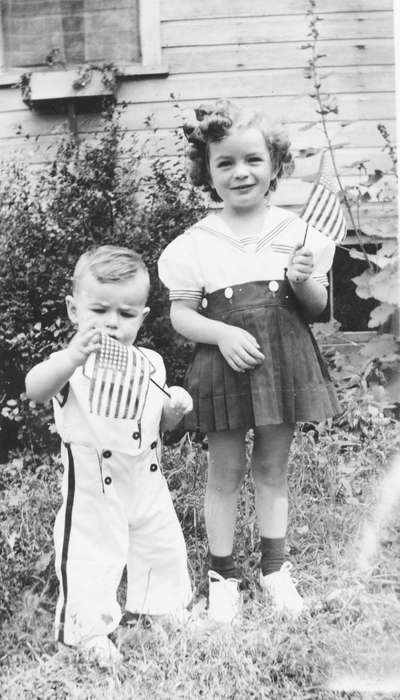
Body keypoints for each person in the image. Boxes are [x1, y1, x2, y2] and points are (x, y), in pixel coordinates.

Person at [158, 101, 340, 624]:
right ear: (207, 173)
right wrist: (223, 333)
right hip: (226, 367)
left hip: (282, 363)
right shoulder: (194, 245)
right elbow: (182, 315)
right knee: (226, 470)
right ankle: (222, 576)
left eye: (253, 160)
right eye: (226, 163)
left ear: (275, 166)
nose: (241, 172)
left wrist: (304, 277)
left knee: (272, 468)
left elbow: (316, 308)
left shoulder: (296, 232)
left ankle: (275, 570)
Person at [25, 245, 193, 666]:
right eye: (99, 310)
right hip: (93, 482)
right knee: (90, 554)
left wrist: (174, 411)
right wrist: (70, 358)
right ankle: (88, 630)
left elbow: (160, 426)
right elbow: (35, 389)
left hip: (145, 476)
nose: (111, 324)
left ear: (142, 317)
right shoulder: (70, 366)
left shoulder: (150, 364)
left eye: (126, 314)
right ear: (73, 310)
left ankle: (163, 606)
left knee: (162, 544)